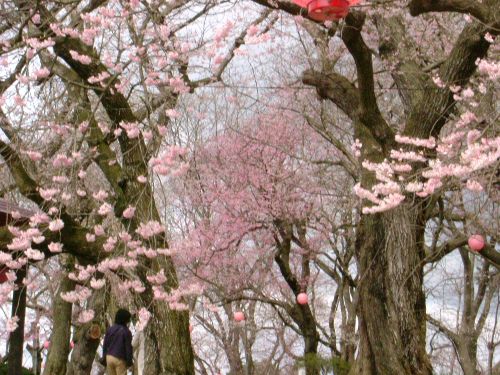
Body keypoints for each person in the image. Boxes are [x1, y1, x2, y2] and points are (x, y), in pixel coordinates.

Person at [102, 309, 133, 375]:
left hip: (109, 357)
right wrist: (129, 362)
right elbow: (128, 348)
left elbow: (105, 344)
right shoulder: (126, 332)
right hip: (120, 359)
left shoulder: (110, 329)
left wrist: (104, 357)